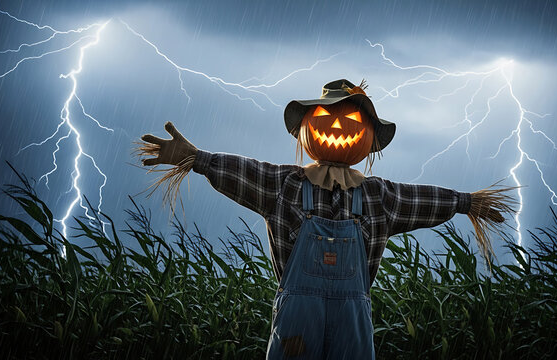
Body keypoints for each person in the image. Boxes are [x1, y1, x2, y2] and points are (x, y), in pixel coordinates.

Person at [138, 79, 516, 359]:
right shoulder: (283, 186)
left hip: (352, 322)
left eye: (350, 118)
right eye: (323, 116)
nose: (337, 128)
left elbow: (424, 199)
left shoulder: (378, 197)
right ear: (306, 126)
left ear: (368, 135)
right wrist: (196, 158)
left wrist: (467, 203)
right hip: (297, 325)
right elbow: (242, 170)